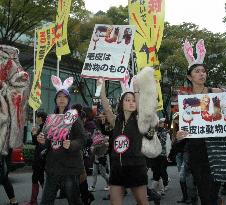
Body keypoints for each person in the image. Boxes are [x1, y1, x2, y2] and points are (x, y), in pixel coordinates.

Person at [176, 39, 226, 205]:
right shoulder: (186, 100)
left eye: (203, 71)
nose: (202, 74)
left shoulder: (218, 93)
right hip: (197, 152)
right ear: (189, 77)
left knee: (211, 194)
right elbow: (184, 129)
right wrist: (179, 136)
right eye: (197, 71)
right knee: (205, 192)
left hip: (218, 150)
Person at [98, 71, 154, 205]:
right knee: (115, 202)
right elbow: (105, 106)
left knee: (142, 202)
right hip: (117, 167)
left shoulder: (140, 120)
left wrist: (137, 92)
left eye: (133, 100)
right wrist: (101, 85)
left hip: (136, 166)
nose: (131, 102)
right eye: (127, 100)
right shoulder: (116, 121)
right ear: (121, 103)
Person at [37, 76, 86, 205]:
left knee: (74, 199)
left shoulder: (74, 117)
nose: (61, 99)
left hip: (70, 167)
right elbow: (47, 141)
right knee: (46, 200)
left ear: (68, 99)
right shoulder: (50, 118)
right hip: (52, 166)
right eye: (59, 97)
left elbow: (83, 139)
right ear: (55, 100)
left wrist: (72, 144)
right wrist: (41, 139)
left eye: (64, 97)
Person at [25, 111, 47, 205]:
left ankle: (36, 200)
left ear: (40, 118)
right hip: (39, 157)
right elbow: (35, 142)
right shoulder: (41, 127)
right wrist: (34, 133)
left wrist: (34, 134)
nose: (36, 119)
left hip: (40, 158)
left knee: (37, 178)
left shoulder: (43, 128)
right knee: (39, 178)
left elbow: (40, 143)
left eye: (37, 117)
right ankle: (37, 200)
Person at [151, 118, 169, 195]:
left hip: (162, 154)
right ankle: (161, 189)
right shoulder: (154, 131)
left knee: (161, 171)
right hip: (154, 154)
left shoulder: (165, 131)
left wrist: (156, 135)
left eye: (161, 123)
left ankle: (162, 187)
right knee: (156, 171)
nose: (160, 124)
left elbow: (163, 141)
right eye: (159, 123)